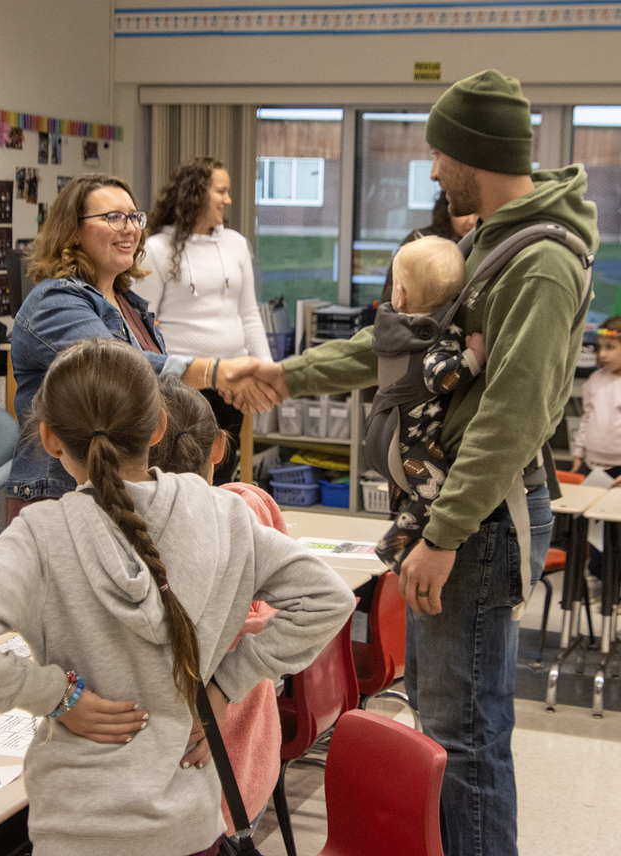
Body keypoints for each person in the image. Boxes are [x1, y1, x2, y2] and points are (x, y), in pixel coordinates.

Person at [226, 70, 599, 856]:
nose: (432, 170)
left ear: (474, 153)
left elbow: (510, 417)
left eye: (438, 153)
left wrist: (444, 533)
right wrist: (288, 374)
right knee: (442, 721)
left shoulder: (539, 262)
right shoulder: (488, 240)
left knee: (465, 738)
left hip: (478, 521)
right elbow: (399, 342)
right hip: (454, 518)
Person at [0, 337, 355, 856]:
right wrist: (226, 685)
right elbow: (328, 598)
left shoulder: (39, 535)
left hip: (76, 826)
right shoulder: (223, 516)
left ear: (50, 439)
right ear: (158, 427)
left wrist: (56, 696)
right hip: (187, 824)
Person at [6, 173, 274, 520]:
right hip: (60, 498)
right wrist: (214, 371)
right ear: (72, 231)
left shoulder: (129, 305)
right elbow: (120, 369)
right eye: (113, 217)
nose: (130, 228)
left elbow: (157, 393)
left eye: (134, 217)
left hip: (120, 491)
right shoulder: (54, 302)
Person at [148, 375, 284, 846]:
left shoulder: (124, 537)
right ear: (220, 448)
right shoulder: (247, 511)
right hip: (247, 770)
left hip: (180, 792)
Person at [135, 157, 272, 484]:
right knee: (181, 472)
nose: (228, 200)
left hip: (233, 378)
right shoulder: (157, 249)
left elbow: (249, 314)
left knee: (223, 468)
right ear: (196, 193)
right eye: (221, 191)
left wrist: (267, 369)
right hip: (182, 381)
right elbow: (142, 324)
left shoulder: (236, 244)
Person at [366, 235, 486, 572]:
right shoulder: (437, 335)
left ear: (400, 294)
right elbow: (438, 377)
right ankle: (393, 547)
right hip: (416, 438)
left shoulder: (392, 327)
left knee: (410, 490)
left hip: (389, 428)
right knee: (433, 494)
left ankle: (398, 525)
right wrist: (474, 357)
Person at [569, 315, 621, 597]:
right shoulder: (595, 382)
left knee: (617, 531)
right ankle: (598, 577)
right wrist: (578, 456)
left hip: (619, 471)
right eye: (600, 348)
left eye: (610, 347)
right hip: (593, 467)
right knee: (595, 529)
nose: (602, 354)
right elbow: (586, 421)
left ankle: (616, 584)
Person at [381, 189, 479, 303]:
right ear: (447, 209)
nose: (471, 221)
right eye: (462, 213)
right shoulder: (419, 241)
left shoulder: (483, 247)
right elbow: (391, 297)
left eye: (477, 213)